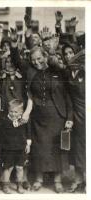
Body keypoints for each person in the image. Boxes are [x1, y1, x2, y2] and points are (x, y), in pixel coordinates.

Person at [28, 47, 73, 193]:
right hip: (38, 118)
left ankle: (57, 181)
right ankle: (38, 179)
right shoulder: (31, 72)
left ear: (45, 56)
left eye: (39, 58)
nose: (37, 62)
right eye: (33, 60)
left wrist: (69, 117)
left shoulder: (57, 72)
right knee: (39, 148)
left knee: (56, 149)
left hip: (56, 117)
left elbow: (67, 97)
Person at [0, 99, 31, 194]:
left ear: (21, 112)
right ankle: (5, 185)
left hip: (20, 148)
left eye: (16, 112)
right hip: (8, 149)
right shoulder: (5, 121)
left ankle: (19, 185)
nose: (13, 114)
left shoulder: (24, 121)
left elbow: (28, 134)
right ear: (8, 110)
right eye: (11, 111)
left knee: (20, 167)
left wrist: (28, 145)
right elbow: (1, 135)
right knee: (8, 167)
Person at [65, 49, 85, 192]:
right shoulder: (66, 73)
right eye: (65, 54)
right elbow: (68, 99)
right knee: (77, 150)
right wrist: (70, 118)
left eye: (71, 53)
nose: (68, 57)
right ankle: (78, 181)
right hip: (76, 115)